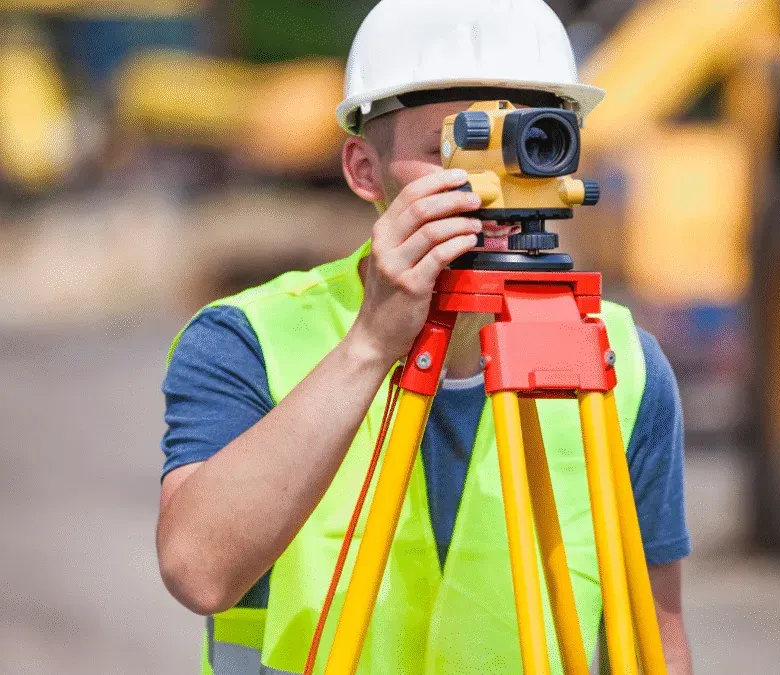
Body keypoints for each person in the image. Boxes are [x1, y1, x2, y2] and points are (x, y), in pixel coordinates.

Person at [156, 0, 692, 672]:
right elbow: (198, 570)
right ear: (362, 170)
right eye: (457, 142)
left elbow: (653, 645)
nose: (492, 178)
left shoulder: (623, 364)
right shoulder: (250, 340)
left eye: (528, 136)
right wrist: (371, 343)